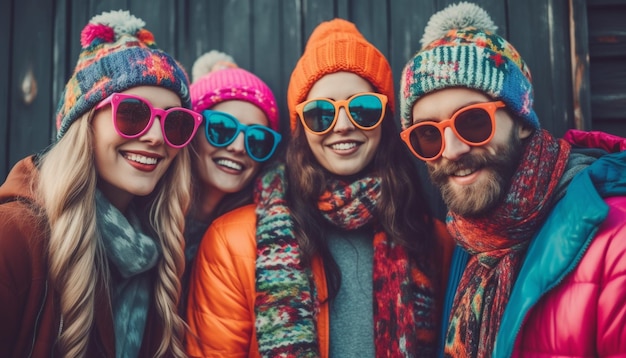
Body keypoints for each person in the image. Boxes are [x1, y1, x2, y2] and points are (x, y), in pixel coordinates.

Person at [186, 18, 454, 357]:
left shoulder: (437, 242)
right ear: (301, 128)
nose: (342, 126)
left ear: (384, 120)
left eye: (362, 109)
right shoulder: (232, 241)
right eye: (320, 114)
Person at [398, 2, 626, 357]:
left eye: (473, 121)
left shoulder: (615, 243)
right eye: (428, 134)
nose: (452, 149)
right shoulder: (466, 247)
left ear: (521, 120)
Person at [0, 10, 202, 357]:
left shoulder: (159, 247)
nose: (156, 137)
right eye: (132, 113)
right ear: (84, 124)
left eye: (176, 123)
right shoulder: (13, 236)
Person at [181, 50, 281, 311]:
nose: (238, 147)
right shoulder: (147, 216)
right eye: (222, 128)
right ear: (191, 130)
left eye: (257, 138)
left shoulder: (258, 235)